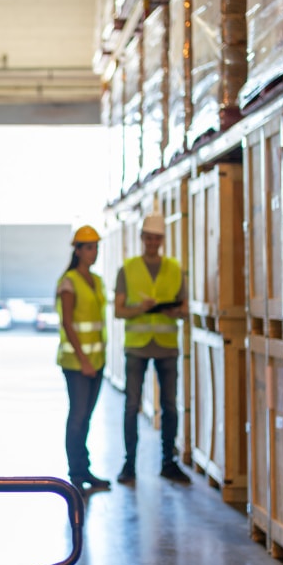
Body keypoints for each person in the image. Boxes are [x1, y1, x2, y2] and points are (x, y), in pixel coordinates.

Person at [113, 211, 190, 484]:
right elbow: (119, 311)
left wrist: (176, 313)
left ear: (162, 240)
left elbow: (185, 307)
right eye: (148, 238)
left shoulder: (174, 269)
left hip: (166, 346)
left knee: (170, 406)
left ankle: (169, 462)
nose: (152, 243)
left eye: (157, 238)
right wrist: (139, 309)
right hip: (137, 347)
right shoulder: (128, 269)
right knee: (132, 405)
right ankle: (129, 465)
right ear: (142, 238)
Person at [56, 224, 110, 492]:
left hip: (97, 361)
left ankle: (84, 468)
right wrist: (84, 360)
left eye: (96, 247)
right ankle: (76, 472)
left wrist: (96, 360)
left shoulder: (97, 280)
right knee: (77, 417)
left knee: (86, 417)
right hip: (77, 364)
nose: (94, 252)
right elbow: (68, 323)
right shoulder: (69, 282)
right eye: (89, 247)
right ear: (77, 251)